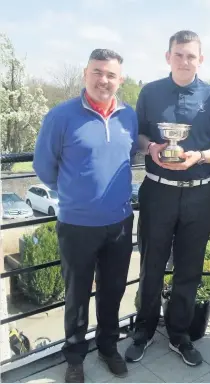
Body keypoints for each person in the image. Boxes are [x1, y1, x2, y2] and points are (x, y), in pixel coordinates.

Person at [125, 30, 210, 367]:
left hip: (199, 194)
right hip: (157, 190)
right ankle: (143, 330)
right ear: (168, 56)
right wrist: (153, 147)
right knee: (151, 265)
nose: (185, 60)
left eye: (191, 55)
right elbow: (140, 135)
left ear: (200, 59)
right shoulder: (151, 91)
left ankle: (179, 334)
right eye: (179, 54)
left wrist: (200, 156)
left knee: (189, 269)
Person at [33, 49, 138, 383]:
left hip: (120, 223)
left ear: (120, 79)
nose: (103, 80)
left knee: (112, 291)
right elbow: (44, 168)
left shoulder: (129, 117)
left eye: (110, 74)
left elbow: (130, 156)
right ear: (85, 74)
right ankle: (75, 357)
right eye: (97, 72)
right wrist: (76, 195)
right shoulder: (61, 116)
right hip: (77, 225)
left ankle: (108, 347)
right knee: (77, 296)